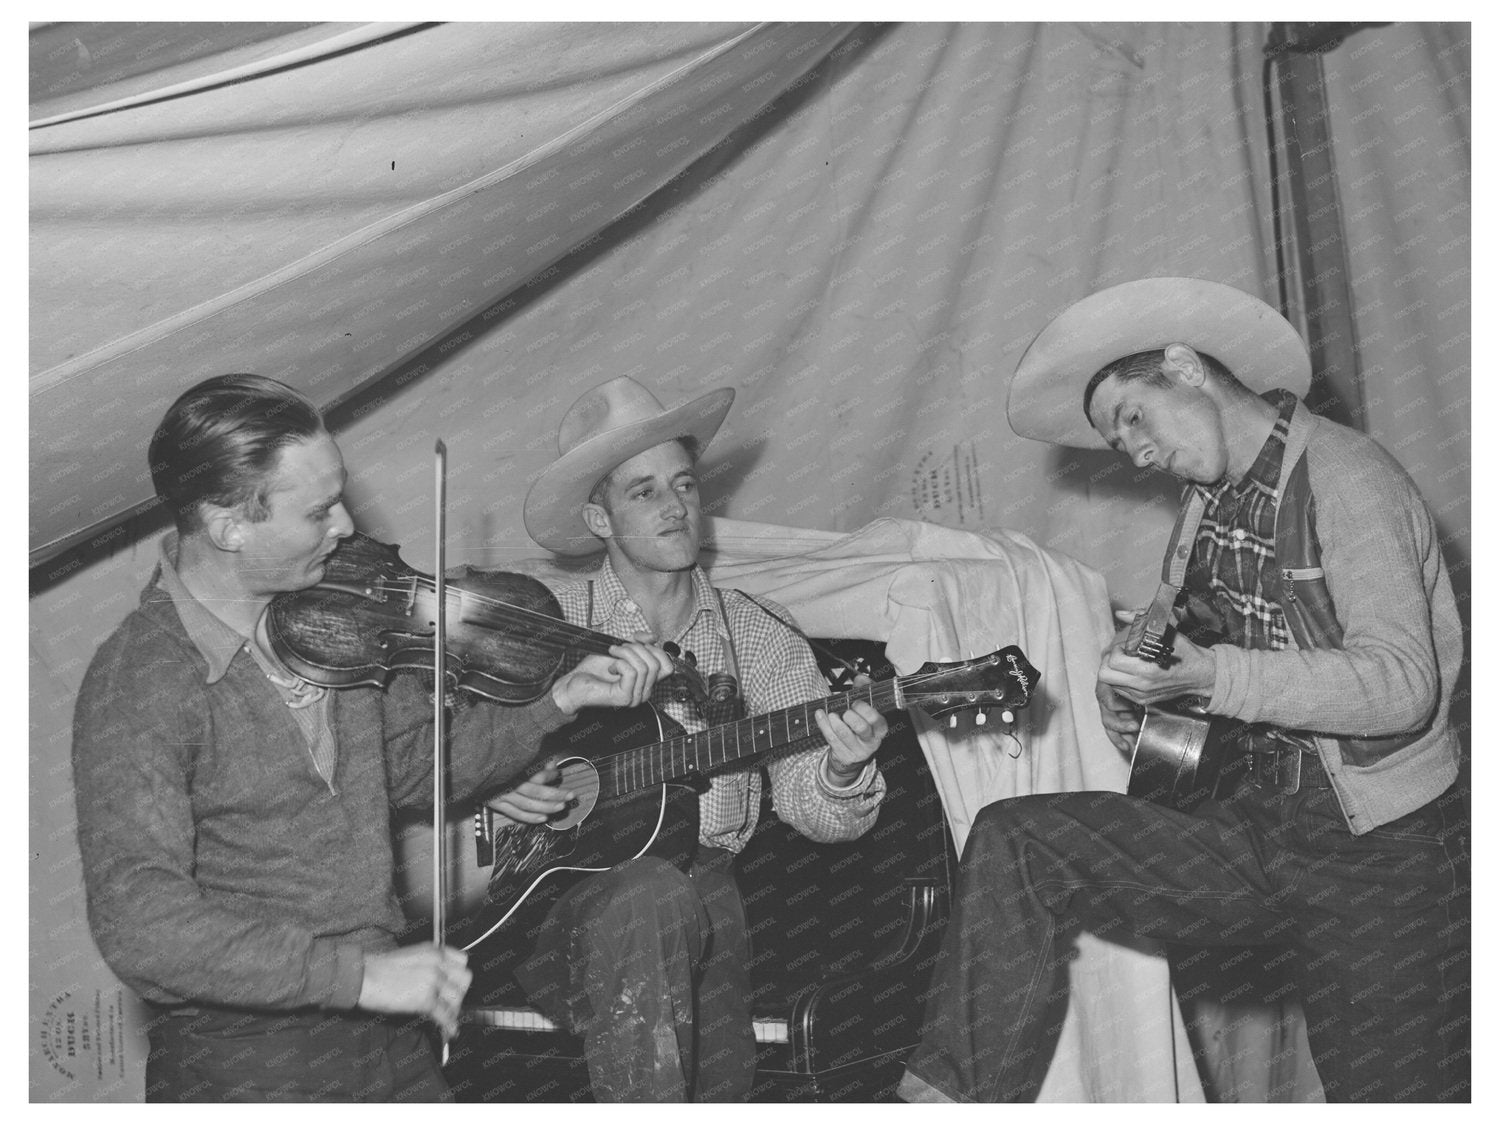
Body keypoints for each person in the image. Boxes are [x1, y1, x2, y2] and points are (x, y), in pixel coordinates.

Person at [899, 277, 1469, 1103]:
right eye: (1116, 440)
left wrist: (1212, 675)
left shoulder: (1347, 474)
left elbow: (1400, 686)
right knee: (1019, 842)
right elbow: (1178, 700)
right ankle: (942, 1101)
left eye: (1134, 416)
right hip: (1259, 829)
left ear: (1185, 366)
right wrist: (1131, 703)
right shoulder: (1202, 512)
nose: (1133, 452)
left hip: (1382, 855)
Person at [71, 374, 671, 1103]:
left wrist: (557, 701)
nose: (349, 526)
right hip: (242, 1055)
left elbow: (419, 765)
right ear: (230, 526)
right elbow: (141, 925)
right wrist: (358, 975)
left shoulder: (337, 622)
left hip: (384, 1032)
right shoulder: (139, 680)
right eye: (319, 510)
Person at [492, 375, 890, 1101]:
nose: (676, 507)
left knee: (683, 892)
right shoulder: (543, 620)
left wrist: (839, 766)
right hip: (543, 903)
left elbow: (813, 810)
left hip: (704, 901)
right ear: (599, 518)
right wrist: (494, 778)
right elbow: (433, 747)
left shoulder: (758, 637)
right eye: (643, 492)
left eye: (683, 484)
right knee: (655, 894)